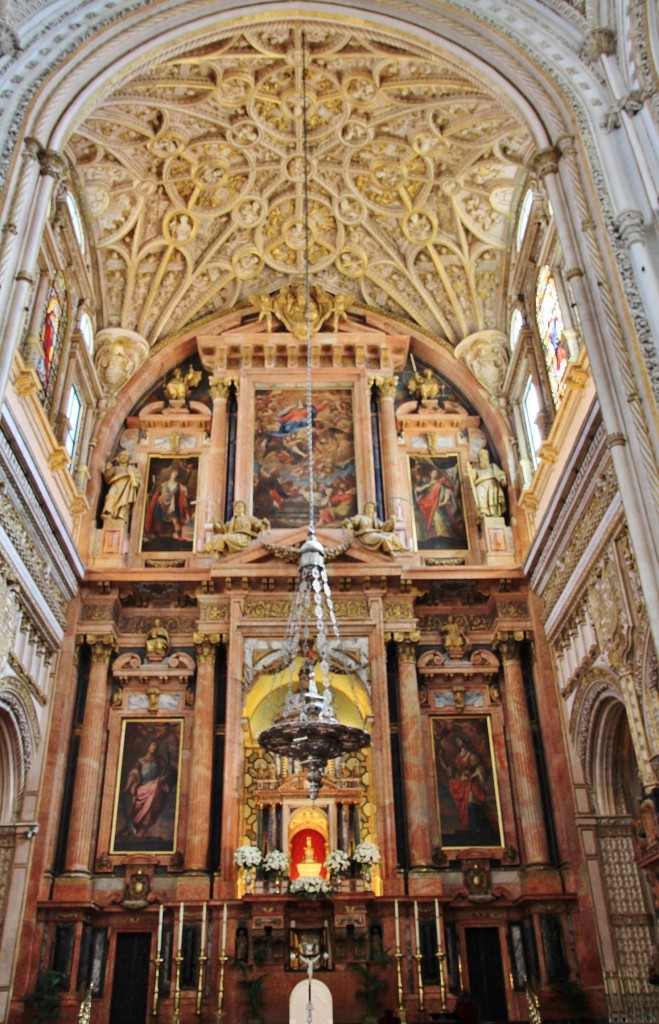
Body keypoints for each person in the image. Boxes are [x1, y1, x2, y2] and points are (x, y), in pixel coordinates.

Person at [120, 740, 174, 838]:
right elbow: (135, 772)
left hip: (155, 787)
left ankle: (142, 831)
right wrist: (129, 786)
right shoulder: (141, 760)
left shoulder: (159, 760)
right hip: (143, 788)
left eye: (156, 746)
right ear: (148, 747)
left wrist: (163, 778)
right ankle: (131, 829)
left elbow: (166, 771)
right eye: (153, 745)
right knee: (137, 810)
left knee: (151, 807)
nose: (154, 747)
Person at [414, 466, 465, 543]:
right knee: (434, 518)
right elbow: (418, 490)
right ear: (430, 473)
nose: (435, 474)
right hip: (428, 503)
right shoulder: (426, 482)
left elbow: (446, 490)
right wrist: (428, 485)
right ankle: (438, 534)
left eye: (436, 473)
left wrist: (443, 501)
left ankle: (442, 534)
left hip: (436, 504)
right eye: (434, 472)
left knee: (438, 518)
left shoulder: (439, 483)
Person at [202, 500, 269, 556]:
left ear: (244, 508)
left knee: (224, 537)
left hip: (244, 538)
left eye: (240, 506)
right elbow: (224, 528)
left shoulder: (249, 518)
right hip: (234, 536)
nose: (238, 508)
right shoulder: (233, 520)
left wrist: (263, 525)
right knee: (217, 537)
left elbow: (259, 524)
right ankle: (208, 551)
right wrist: (215, 522)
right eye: (237, 506)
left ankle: (217, 554)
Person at [144, 465, 190, 540]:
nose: (175, 475)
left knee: (175, 521)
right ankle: (156, 537)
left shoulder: (178, 485)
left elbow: (184, 491)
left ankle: (179, 536)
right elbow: (156, 494)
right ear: (170, 474)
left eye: (176, 474)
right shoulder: (164, 484)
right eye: (173, 473)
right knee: (158, 521)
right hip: (160, 504)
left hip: (172, 505)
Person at [101, 450, 141, 523]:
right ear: (118, 458)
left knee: (125, 500)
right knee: (110, 495)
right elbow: (107, 478)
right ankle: (109, 513)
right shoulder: (115, 469)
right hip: (116, 485)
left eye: (126, 456)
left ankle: (120, 514)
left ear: (128, 459)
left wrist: (132, 478)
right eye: (122, 455)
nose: (124, 457)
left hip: (127, 488)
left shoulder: (132, 470)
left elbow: (137, 481)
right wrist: (107, 468)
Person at [467, 448, 507, 520]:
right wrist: (470, 472)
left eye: (485, 457)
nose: (483, 459)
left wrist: (502, 479)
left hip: (492, 485)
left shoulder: (492, 467)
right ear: (479, 460)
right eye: (481, 457)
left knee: (493, 496)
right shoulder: (476, 469)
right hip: (481, 485)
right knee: (480, 494)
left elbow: (500, 474)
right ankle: (484, 513)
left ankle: (494, 513)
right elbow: (472, 479)